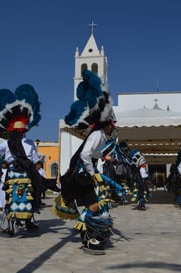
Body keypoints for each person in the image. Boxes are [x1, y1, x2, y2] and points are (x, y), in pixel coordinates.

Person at [52, 69, 117, 254]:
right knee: (94, 206)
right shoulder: (98, 134)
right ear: (108, 123)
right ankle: (89, 239)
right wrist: (93, 173)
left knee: (94, 206)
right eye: (114, 122)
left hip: (84, 173)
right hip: (83, 175)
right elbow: (85, 154)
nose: (115, 126)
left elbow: (90, 154)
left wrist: (99, 161)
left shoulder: (101, 135)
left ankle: (91, 235)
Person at [0, 83, 59, 236]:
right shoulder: (30, 143)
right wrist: (35, 169)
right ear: (25, 130)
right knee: (28, 196)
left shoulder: (6, 143)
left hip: (12, 174)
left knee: (10, 197)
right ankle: (29, 222)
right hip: (27, 174)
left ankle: (10, 226)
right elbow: (35, 160)